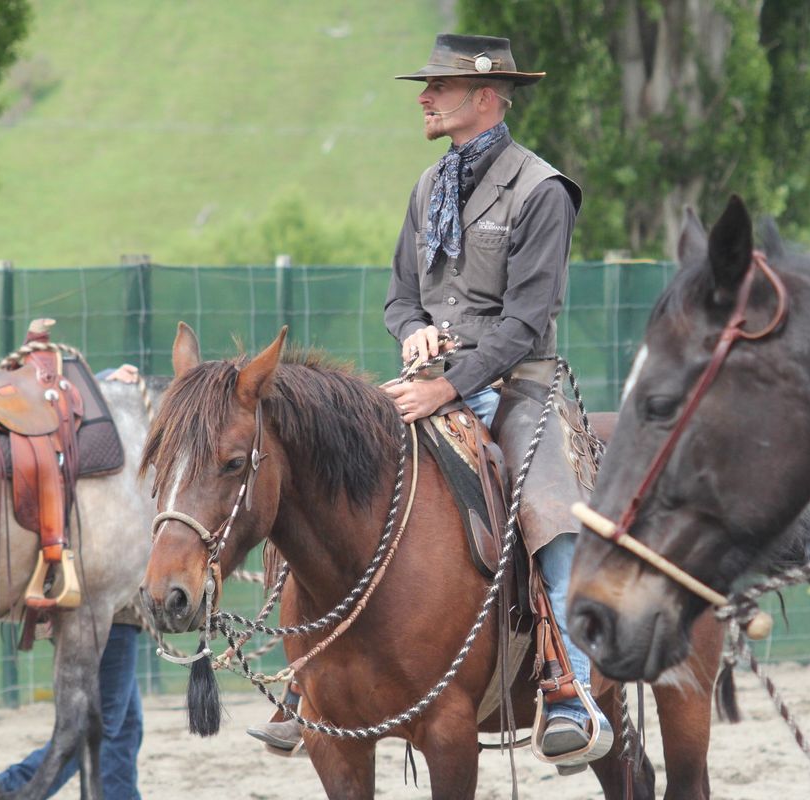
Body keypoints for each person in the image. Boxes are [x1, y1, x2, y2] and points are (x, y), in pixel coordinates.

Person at [249, 32, 606, 763]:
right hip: (425, 382)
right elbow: (399, 297)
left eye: (437, 88)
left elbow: (526, 321)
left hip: (519, 388)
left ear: (484, 97)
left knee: (544, 509)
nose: (424, 98)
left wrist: (449, 382)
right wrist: (412, 334)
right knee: (314, 476)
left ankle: (571, 683)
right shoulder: (428, 186)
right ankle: (304, 680)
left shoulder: (542, 191)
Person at [0, 364, 145, 799]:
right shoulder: (101, 453)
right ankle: (13, 786)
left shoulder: (118, 458)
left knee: (124, 725)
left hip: (120, 605)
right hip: (110, 607)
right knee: (102, 718)